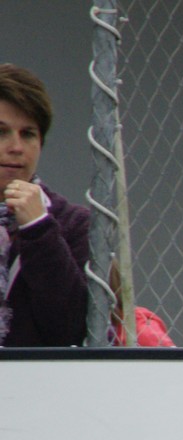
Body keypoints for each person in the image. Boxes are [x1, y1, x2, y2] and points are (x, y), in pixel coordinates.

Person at [0, 63, 89, 347]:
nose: (16, 147)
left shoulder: (72, 224)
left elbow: (70, 331)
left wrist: (37, 229)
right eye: (1, 132)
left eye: (28, 134)